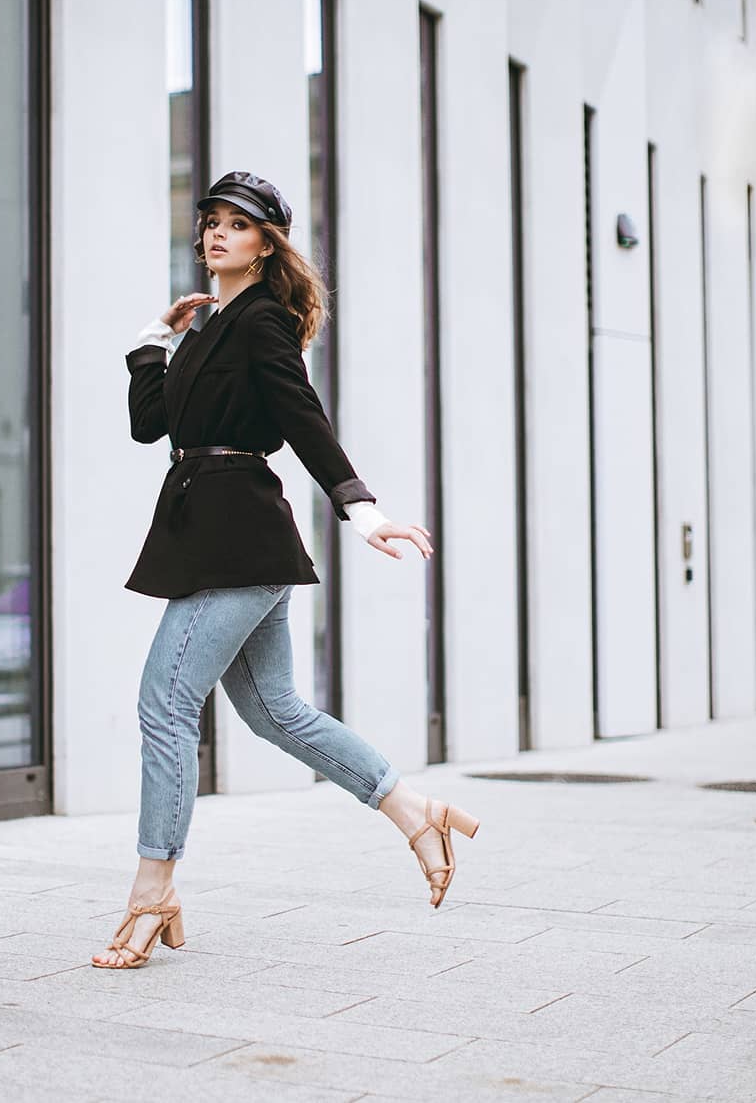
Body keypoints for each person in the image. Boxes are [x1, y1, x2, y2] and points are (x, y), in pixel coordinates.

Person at [92, 171, 480, 969]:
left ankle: (152, 890)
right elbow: (151, 423)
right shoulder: (208, 328)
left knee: (165, 704)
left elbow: (304, 418)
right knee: (276, 713)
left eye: (238, 224)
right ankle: (414, 811)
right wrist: (155, 340)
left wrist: (361, 510)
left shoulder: (263, 320)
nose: (217, 233)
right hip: (218, 534)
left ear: (267, 245)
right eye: (211, 221)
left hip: (239, 538)